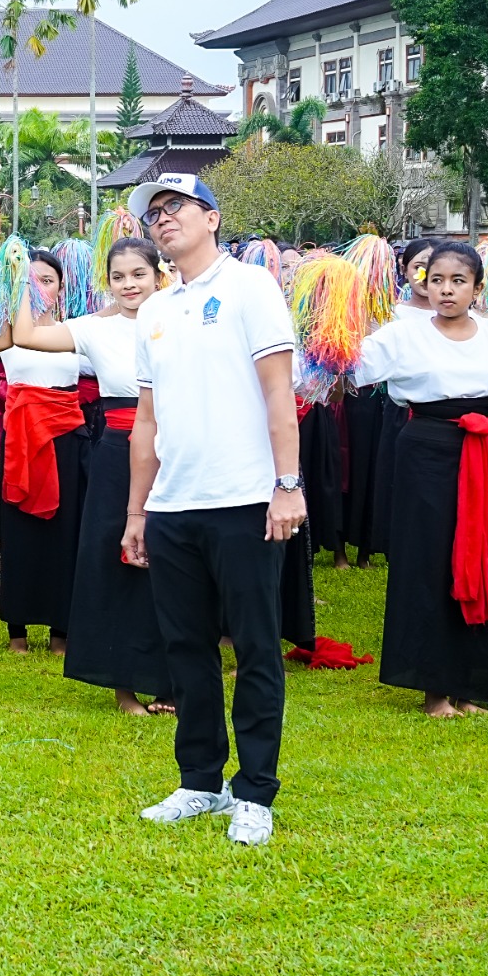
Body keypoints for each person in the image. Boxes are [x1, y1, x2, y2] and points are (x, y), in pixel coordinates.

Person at [120, 175, 301, 848]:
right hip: (173, 504)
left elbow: (279, 393)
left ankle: (255, 792)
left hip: (245, 497)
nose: (164, 220)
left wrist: (287, 485)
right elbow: (146, 420)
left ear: (212, 217)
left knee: (255, 647)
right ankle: (200, 779)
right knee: (186, 649)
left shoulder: (251, 287)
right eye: (154, 214)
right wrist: (138, 512)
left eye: (176, 208)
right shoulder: (155, 309)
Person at [352, 242, 488, 717]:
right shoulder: (402, 334)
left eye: (458, 281)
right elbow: (346, 370)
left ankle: (474, 685)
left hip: (483, 451)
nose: (446, 290)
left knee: (483, 557)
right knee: (429, 561)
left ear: (477, 288)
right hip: (425, 451)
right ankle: (434, 689)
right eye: (437, 280)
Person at [12, 236, 172, 715]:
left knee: (173, 560)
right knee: (114, 560)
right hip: (116, 451)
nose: (129, 284)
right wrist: (22, 279)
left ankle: (171, 681)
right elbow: (26, 335)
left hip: (177, 450)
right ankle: (123, 685)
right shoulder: (94, 329)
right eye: (118, 277)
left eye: (139, 274)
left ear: (158, 275)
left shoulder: (179, 318)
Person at [0, 249, 88, 654]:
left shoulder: (76, 333)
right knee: (19, 532)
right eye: (30, 281)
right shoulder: (7, 335)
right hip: (22, 442)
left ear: (61, 287)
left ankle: (62, 630)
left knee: (66, 533)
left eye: (47, 280)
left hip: (67, 441)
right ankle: (18, 632)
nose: (39, 288)